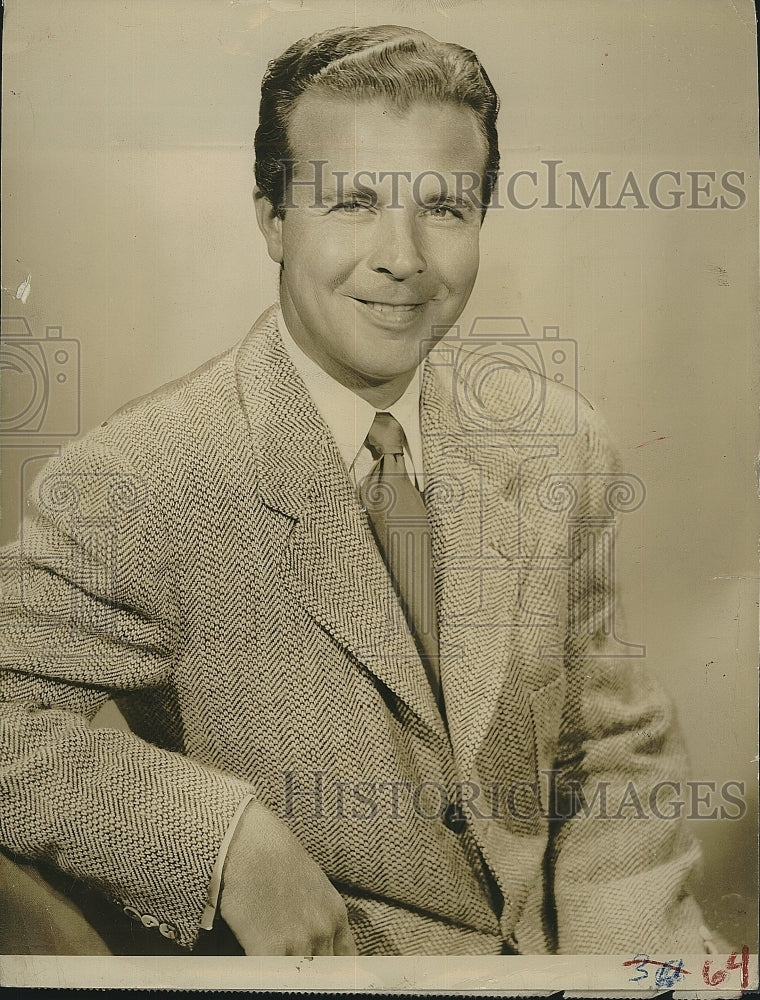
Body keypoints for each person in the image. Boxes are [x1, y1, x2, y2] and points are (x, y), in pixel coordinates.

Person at [0, 24, 710, 957]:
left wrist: (631, 972)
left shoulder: (556, 442)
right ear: (272, 219)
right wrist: (219, 838)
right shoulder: (142, 478)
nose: (402, 256)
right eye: (353, 202)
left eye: (446, 208)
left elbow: (611, 751)